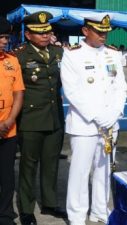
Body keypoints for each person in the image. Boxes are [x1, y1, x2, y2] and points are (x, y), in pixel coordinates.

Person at [60, 13, 127, 225]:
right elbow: (72, 92)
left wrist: (114, 113)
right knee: (80, 172)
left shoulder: (113, 55)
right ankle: (77, 215)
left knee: (104, 169)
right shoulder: (72, 55)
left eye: (106, 32)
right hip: (85, 124)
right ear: (85, 31)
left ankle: (100, 210)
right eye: (99, 32)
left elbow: (121, 87)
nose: (103, 35)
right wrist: (98, 116)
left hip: (109, 123)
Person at [14, 11, 66, 225]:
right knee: (28, 165)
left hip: (55, 118)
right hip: (31, 119)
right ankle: (26, 209)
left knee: (51, 163)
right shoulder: (20, 56)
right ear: (28, 35)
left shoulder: (59, 53)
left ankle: (50, 203)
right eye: (39, 32)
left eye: (47, 31)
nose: (45, 35)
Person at [0, 17, 24, 225]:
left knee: (7, 175)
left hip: (8, 128)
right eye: (0, 37)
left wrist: (9, 120)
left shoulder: (12, 61)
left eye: (6, 37)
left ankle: (6, 214)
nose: (4, 41)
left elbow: (18, 94)